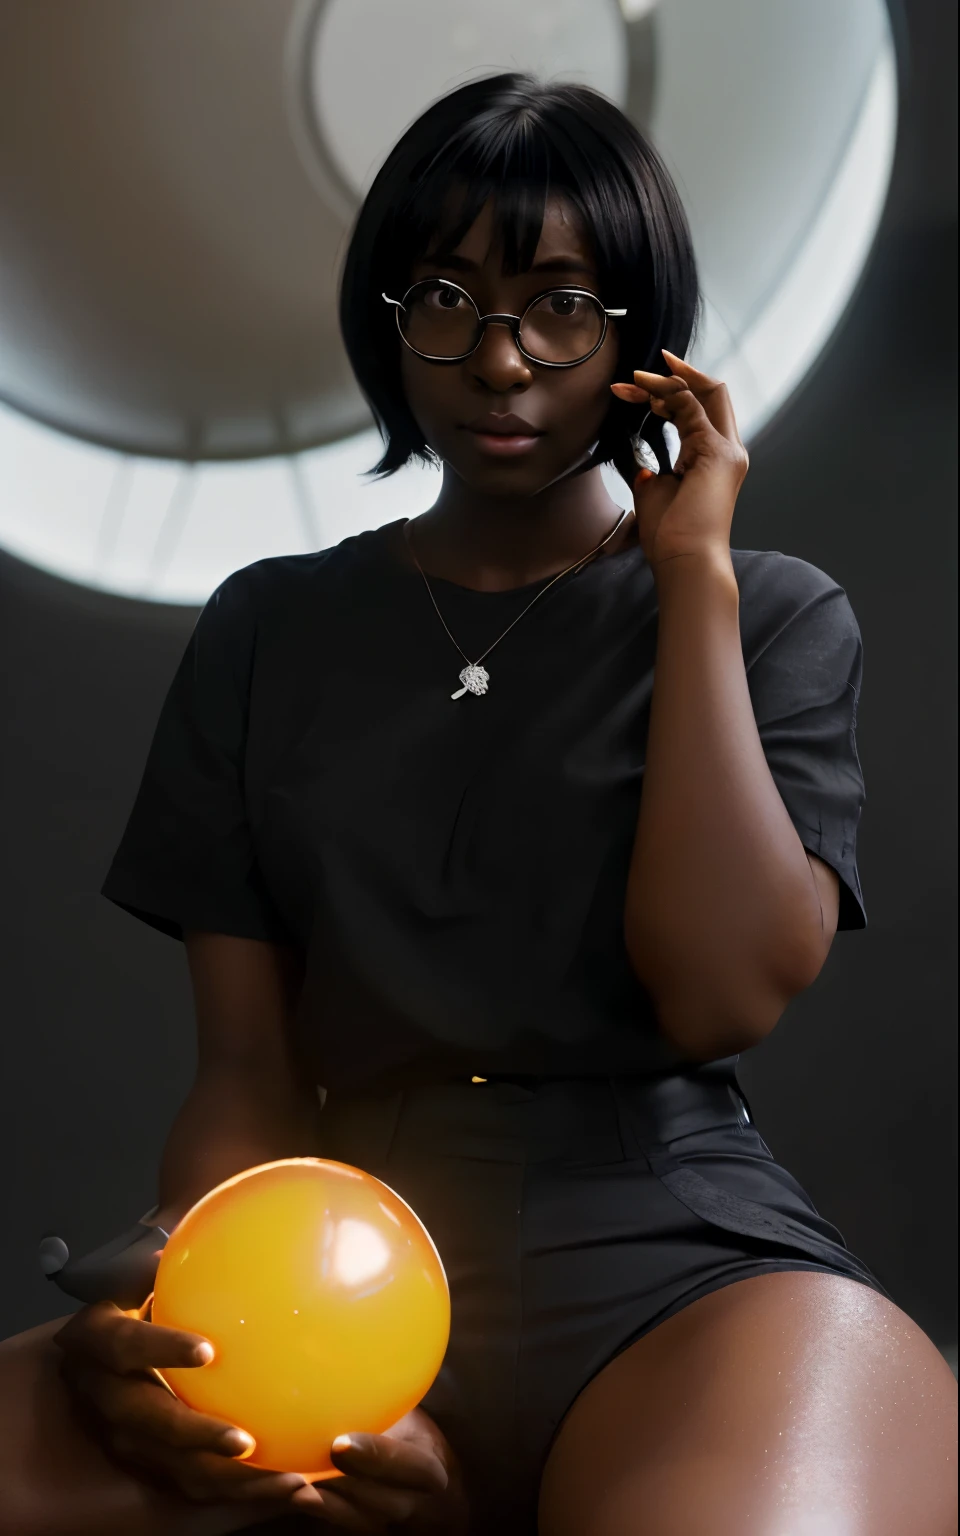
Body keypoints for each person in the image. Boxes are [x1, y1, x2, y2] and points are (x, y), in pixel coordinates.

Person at [1, 74, 955, 1536]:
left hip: (677, 1262)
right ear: (391, 324)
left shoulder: (768, 614)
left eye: (562, 304)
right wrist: (220, 1303)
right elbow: (245, 1072)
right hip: (336, 1254)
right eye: (447, 298)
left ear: (638, 333)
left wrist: (689, 572)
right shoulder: (269, 628)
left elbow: (717, 995)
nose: (502, 359)